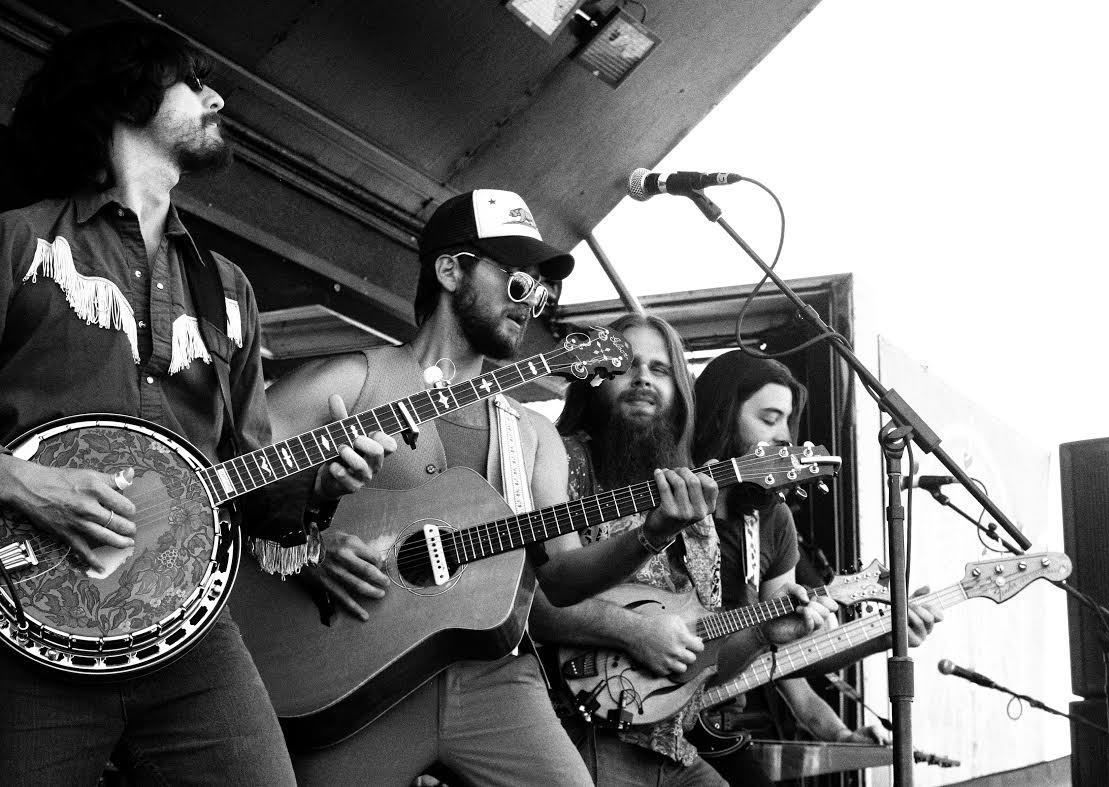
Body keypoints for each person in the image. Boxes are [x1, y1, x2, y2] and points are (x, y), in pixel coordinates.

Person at [0, 21, 394, 786]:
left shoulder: (229, 289)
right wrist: (25, 482)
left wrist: (322, 480)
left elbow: (248, 487)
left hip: (187, 634)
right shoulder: (15, 245)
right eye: (194, 80)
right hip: (24, 619)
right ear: (128, 92)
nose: (216, 97)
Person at [265, 189, 717, 786]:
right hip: (359, 674)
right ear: (451, 270)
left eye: (541, 289)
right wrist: (307, 550)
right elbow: (222, 481)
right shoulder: (353, 382)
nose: (532, 303)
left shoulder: (531, 435)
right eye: (517, 282)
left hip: (496, 678)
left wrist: (653, 534)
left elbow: (560, 579)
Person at [532, 313, 837, 786]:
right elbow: (534, 602)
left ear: (680, 391)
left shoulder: (696, 503)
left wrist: (761, 634)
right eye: (627, 365)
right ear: (593, 378)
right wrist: (632, 631)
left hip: (673, 745)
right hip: (578, 732)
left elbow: (700, 670)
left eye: (660, 369)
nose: (643, 380)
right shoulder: (560, 457)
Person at [693, 349, 944, 786]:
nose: (784, 437)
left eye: (788, 422)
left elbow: (778, 657)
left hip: (714, 722)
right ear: (721, 416)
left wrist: (839, 731)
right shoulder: (672, 502)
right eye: (769, 419)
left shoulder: (770, 522)